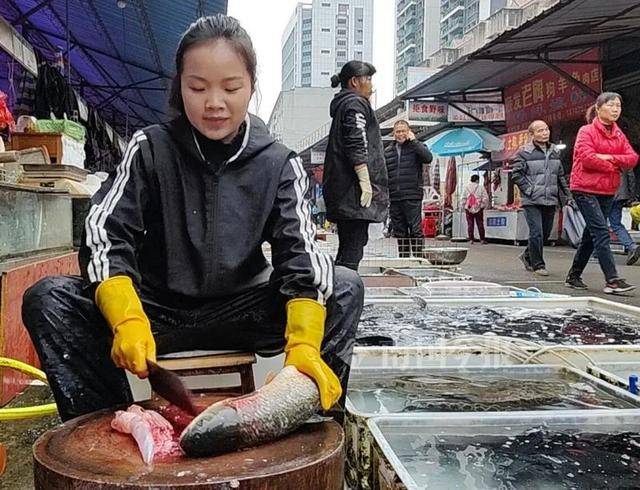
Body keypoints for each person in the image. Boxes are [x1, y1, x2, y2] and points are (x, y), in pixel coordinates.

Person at [21, 15, 364, 422]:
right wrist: (126, 316)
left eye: (231, 87)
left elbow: (302, 255)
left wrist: (305, 343)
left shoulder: (278, 163)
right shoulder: (150, 148)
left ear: (251, 87)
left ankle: (305, 422)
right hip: (155, 311)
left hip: (245, 311)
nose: (214, 102)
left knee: (342, 286)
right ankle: (112, 426)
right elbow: (104, 234)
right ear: (179, 87)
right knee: (49, 298)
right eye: (197, 87)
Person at [565, 92, 639, 294]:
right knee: (601, 232)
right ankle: (612, 281)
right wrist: (615, 164)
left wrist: (609, 159)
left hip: (607, 190)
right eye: (611, 105)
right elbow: (588, 158)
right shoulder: (586, 131)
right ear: (598, 109)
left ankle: (573, 276)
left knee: (591, 234)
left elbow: (632, 158)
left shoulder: (617, 134)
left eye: (618, 106)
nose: (616, 109)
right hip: (584, 189)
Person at [323, 60, 388, 271]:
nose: (371, 84)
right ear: (354, 81)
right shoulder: (355, 104)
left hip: (345, 192)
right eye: (368, 79)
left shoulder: (346, 104)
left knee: (349, 247)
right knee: (352, 249)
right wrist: (365, 180)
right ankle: (344, 296)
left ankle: (341, 293)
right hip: (353, 193)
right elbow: (356, 140)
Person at [511, 120, 572, 276]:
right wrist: (529, 190)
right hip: (531, 200)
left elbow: (560, 176)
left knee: (544, 233)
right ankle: (538, 264)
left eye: (546, 130)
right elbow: (516, 175)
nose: (545, 133)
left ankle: (527, 255)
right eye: (540, 131)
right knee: (536, 231)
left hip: (550, 199)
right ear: (531, 134)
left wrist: (568, 195)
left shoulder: (555, 152)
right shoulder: (524, 152)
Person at [384, 120, 433, 257]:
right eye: (398, 131)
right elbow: (383, 173)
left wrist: (414, 142)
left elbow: (428, 158)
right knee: (400, 231)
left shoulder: (416, 147)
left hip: (412, 195)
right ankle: (404, 259)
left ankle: (418, 259)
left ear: (409, 131)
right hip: (394, 196)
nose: (401, 134)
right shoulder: (388, 151)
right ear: (394, 133)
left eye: (403, 131)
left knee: (415, 229)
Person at [609, 169, 640, 265]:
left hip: (607, 192)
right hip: (622, 194)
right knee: (616, 223)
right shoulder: (624, 156)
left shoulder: (605, 155)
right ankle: (631, 246)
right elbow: (631, 176)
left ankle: (597, 253)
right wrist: (631, 196)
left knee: (600, 223)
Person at [461, 174, 489, 244]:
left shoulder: (466, 187)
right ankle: (482, 239)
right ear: (477, 180)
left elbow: (463, 198)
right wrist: (482, 206)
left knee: (470, 224)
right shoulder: (481, 187)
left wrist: (464, 206)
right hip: (478, 208)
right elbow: (486, 198)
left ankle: (471, 239)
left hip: (469, 208)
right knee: (480, 223)